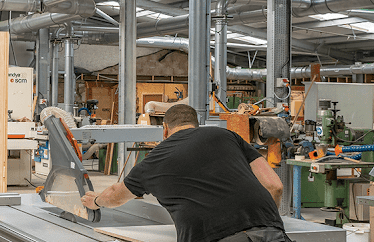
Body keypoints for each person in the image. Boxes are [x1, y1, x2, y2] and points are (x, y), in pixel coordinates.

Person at [81, 104, 290, 242]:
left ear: (165, 129)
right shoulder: (227, 136)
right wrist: (266, 221)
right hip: (271, 234)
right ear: (196, 125)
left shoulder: (153, 160)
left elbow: (117, 194)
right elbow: (274, 186)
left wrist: (96, 201)